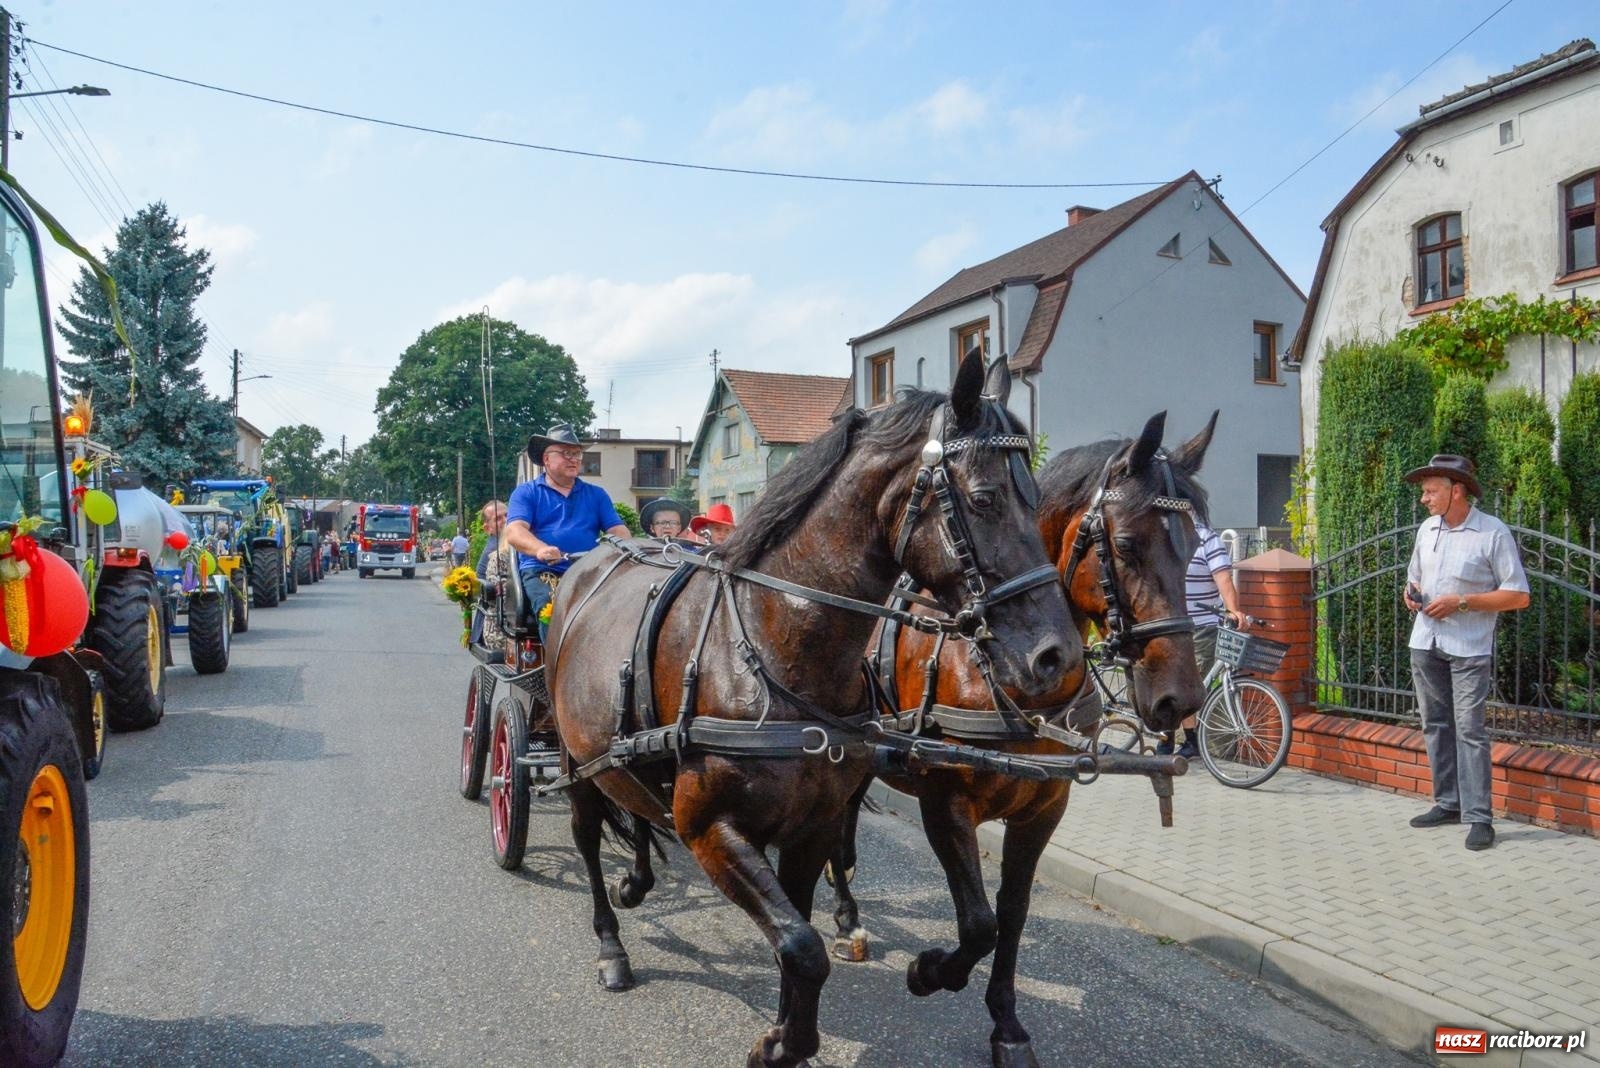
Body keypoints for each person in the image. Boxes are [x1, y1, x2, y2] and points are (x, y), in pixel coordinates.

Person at [1401, 454, 1529, 852]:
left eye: (1430, 491)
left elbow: (1518, 595)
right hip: (1426, 643)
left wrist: (1462, 602)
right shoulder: (1427, 529)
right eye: (1424, 491)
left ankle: (1479, 817)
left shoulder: (1492, 533)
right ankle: (1448, 803)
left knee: (1470, 731)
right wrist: (1411, 595)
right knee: (1435, 726)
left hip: (1469, 649)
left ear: (1457, 491)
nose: (1424, 498)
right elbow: (1414, 577)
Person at [502, 424, 630, 640]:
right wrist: (540, 549)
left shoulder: (596, 494)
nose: (574, 459)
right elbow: (514, 531)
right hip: (544, 571)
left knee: (625, 609)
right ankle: (556, 672)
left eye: (577, 454)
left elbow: (618, 530)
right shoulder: (526, 493)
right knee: (552, 612)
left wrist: (627, 548)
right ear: (546, 460)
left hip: (590, 570)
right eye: (565, 453)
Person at [1157, 518, 1245, 758]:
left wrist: (1233, 609)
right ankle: (1176, 739)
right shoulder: (1163, 537)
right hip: (1170, 625)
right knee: (1173, 684)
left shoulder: (1207, 539)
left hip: (1202, 628)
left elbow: (1223, 579)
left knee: (1188, 685)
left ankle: (1186, 741)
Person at [469, 500, 507, 647]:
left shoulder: (513, 541)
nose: (506, 520)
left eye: (508, 515)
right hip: (497, 617)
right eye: (498, 518)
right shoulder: (495, 551)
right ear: (487, 528)